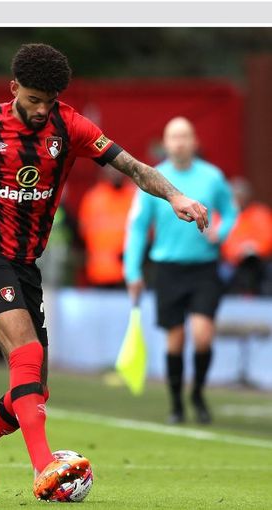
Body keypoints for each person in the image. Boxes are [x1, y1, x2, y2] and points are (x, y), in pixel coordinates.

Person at [0, 44, 208, 501]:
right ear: (14, 88)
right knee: (25, 351)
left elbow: (134, 168)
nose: (42, 110)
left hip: (24, 264)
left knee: (34, 387)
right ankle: (46, 467)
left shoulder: (72, 126)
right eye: (34, 99)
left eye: (50, 100)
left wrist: (176, 196)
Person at [124, 116, 238, 425]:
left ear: (195, 141)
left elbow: (230, 212)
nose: (180, 142)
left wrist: (222, 231)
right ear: (165, 142)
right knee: (175, 339)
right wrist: (132, 270)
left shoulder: (212, 178)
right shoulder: (153, 179)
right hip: (168, 269)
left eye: (185, 136)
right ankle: (176, 404)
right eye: (174, 137)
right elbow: (137, 228)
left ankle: (198, 394)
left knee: (202, 336)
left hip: (204, 268)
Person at [78, 164, 135, 288]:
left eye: (118, 169)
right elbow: (83, 232)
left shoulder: (133, 197)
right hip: (97, 273)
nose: (114, 173)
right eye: (111, 170)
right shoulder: (93, 198)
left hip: (128, 273)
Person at [221, 177, 272, 295]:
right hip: (233, 261)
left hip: (259, 259)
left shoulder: (261, 213)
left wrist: (256, 247)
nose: (239, 199)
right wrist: (238, 250)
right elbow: (222, 239)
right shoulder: (226, 215)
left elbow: (268, 236)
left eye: (242, 195)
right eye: (236, 196)